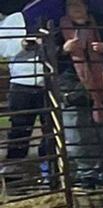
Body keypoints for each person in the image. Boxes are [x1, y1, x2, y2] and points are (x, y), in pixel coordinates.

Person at [54, 0, 103, 190]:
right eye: (72, 6)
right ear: (66, 10)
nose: (76, 9)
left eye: (79, 5)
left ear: (86, 7)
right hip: (74, 90)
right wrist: (63, 50)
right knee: (79, 136)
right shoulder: (57, 32)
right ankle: (85, 174)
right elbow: (47, 57)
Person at [3, 36, 52, 180]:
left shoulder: (54, 19)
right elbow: (2, 48)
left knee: (50, 128)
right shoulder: (13, 21)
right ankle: (14, 169)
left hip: (49, 82)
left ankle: (49, 167)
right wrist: (21, 43)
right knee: (19, 128)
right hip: (21, 82)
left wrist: (45, 43)